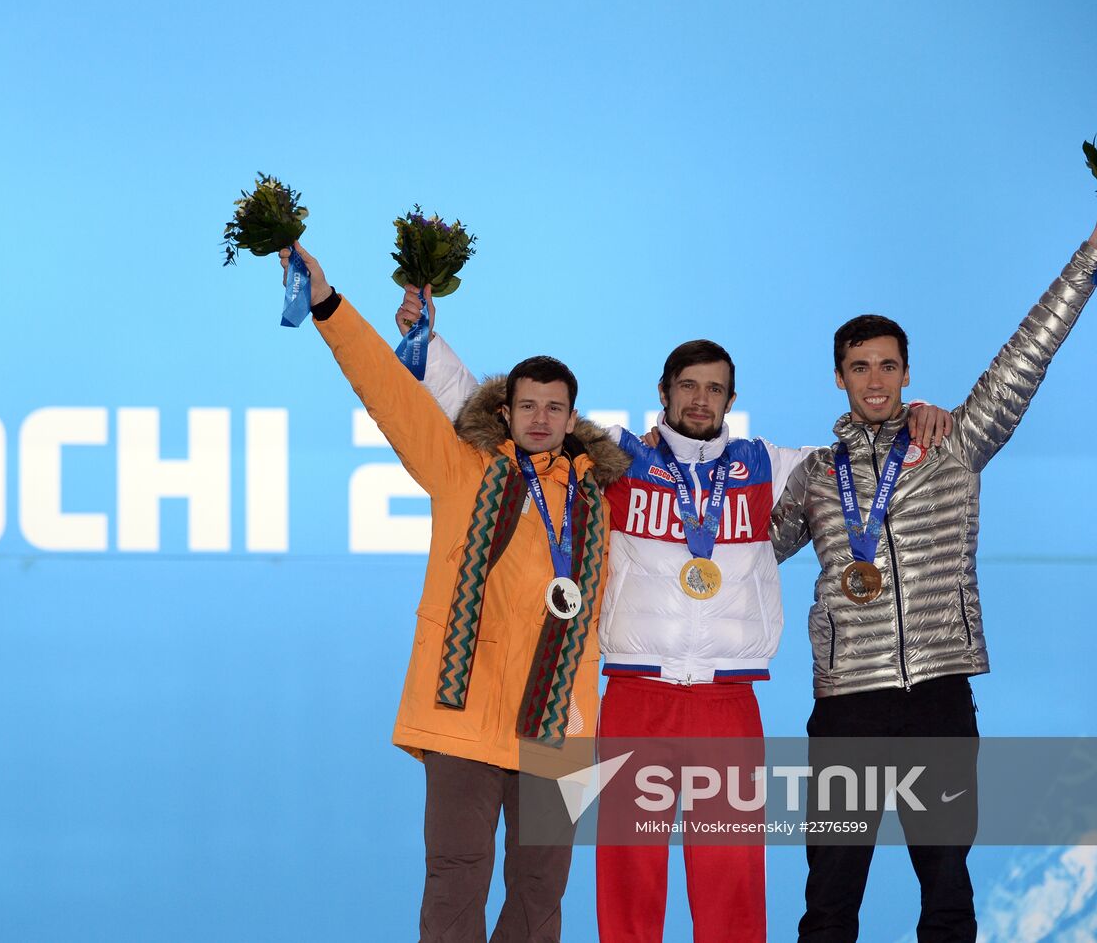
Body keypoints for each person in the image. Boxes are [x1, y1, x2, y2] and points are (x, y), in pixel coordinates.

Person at [400, 291, 952, 942]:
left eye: (714, 388)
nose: (700, 398)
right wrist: (427, 346)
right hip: (637, 696)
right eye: (687, 385)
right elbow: (508, 417)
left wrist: (914, 418)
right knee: (629, 881)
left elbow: (864, 462)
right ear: (662, 391)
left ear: (731, 398)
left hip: (728, 700)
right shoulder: (613, 459)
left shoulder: (767, 467)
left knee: (731, 882)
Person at [769, 182, 1097, 942]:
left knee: (946, 891)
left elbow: (1025, 354)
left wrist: (1093, 253)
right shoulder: (812, 475)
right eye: (858, 366)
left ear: (907, 372)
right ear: (837, 377)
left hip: (939, 694)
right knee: (831, 894)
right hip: (848, 707)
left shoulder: (954, 443)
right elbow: (741, 552)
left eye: (887, 364)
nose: (874, 378)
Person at [275, 242, 630, 943]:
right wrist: (327, 303)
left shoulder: (606, 498)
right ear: (504, 411)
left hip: (560, 725)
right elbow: (387, 390)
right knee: (456, 877)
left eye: (554, 408)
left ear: (571, 416)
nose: (539, 418)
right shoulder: (460, 470)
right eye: (526, 404)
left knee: (540, 892)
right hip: (462, 716)